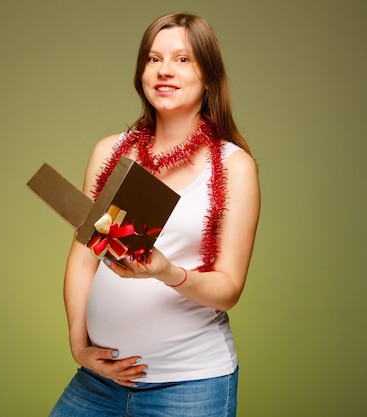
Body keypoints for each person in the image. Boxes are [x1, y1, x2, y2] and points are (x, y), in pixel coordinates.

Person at [49, 12, 260, 417]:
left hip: (190, 386)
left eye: (183, 59)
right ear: (140, 72)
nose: (165, 71)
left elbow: (229, 289)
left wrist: (165, 270)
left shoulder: (234, 167)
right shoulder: (110, 152)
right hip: (100, 380)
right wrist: (79, 345)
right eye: (153, 58)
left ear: (209, 77)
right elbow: (82, 258)